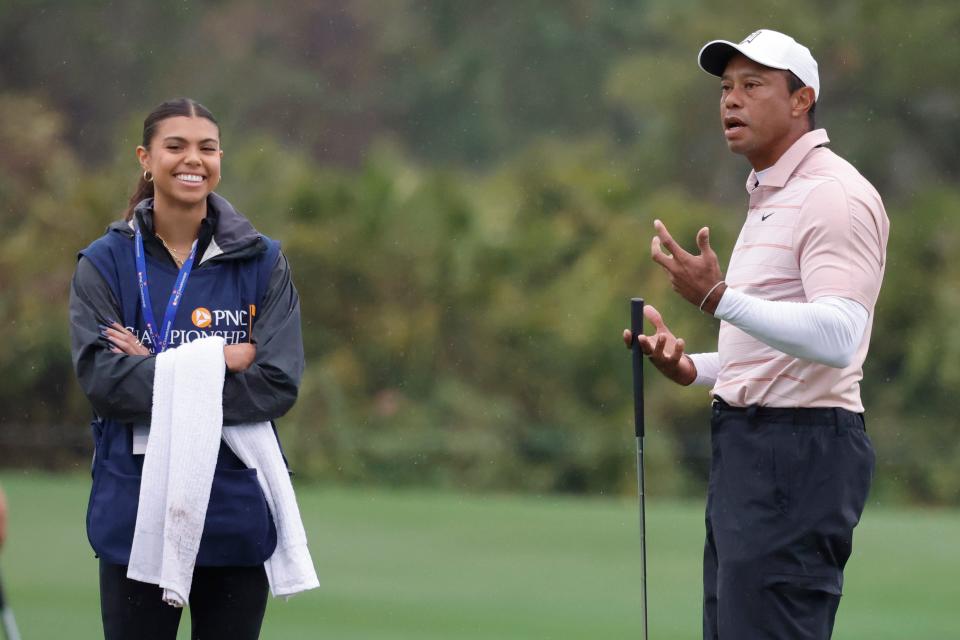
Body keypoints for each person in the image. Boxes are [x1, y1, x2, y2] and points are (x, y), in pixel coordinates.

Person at [622, 30, 889, 638]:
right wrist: (696, 370)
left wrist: (718, 298)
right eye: (725, 88)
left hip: (799, 452)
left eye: (752, 86)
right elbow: (776, 347)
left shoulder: (833, 195)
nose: (731, 101)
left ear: (802, 100)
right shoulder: (773, 195)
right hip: (752, 451)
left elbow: (839, 336)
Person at [69, 98, 305, 639]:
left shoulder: (261, 261)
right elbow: (104, 385)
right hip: (135, 509)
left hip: (234, 505)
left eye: (206, 147)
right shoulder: (104, 263)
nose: (191, 159)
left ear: (220, 158)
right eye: (175, 146)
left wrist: (153, 368)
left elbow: (275, 384)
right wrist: (220, 359)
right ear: (145, 159)